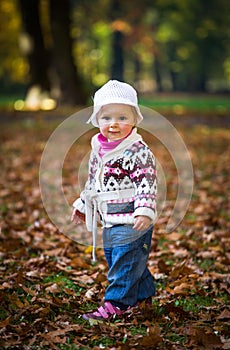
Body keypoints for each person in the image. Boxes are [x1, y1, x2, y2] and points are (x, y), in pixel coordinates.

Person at [71, 80, 157, 320]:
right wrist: (82, 205)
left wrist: (144, 209)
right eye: (107, 118)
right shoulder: (99, 149)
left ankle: (118, 303)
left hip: (131, 218)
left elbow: (147, 182)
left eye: (122, 117)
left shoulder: (136, 151)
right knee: (121, 259)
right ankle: (143, 296)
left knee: (123, 262)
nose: (114, 124)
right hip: (109, 217)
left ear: (135, 119)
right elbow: (93, 182)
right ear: (97, 120)